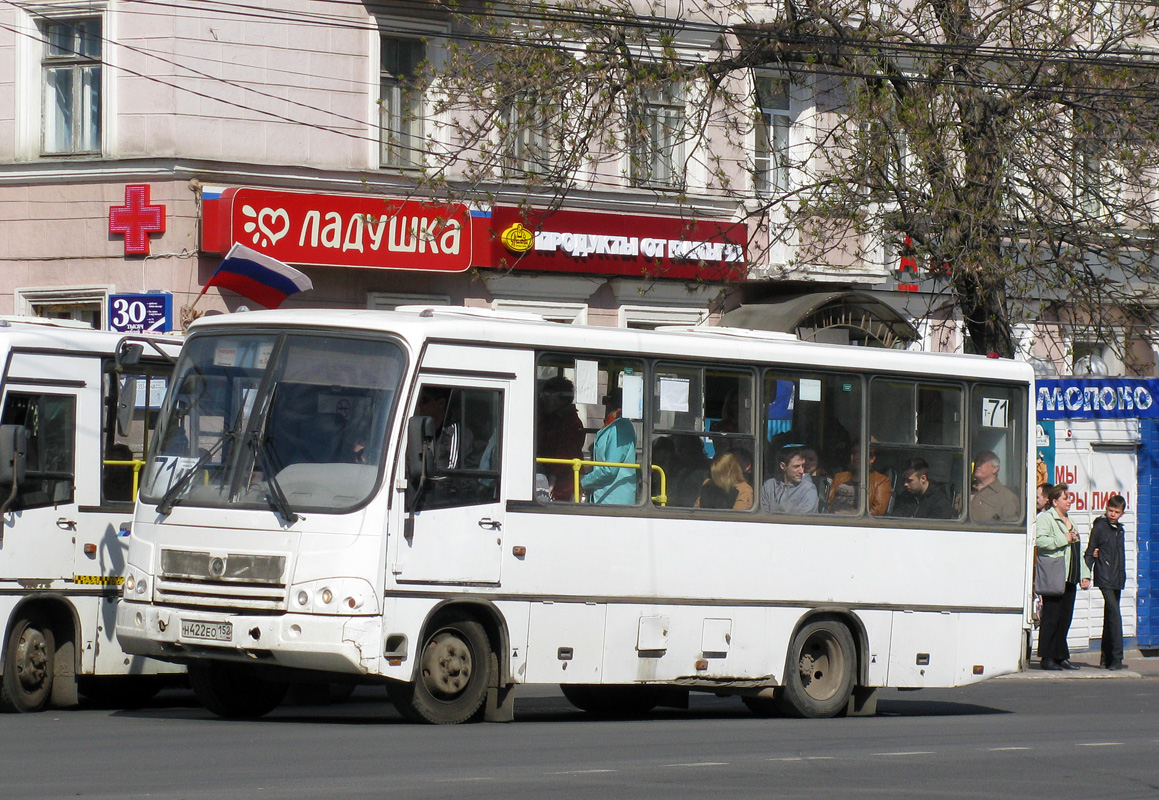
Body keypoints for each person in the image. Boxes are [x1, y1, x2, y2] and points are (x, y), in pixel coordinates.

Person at [1036, 482, 1091, 670]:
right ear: (1054, 501)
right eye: (1065, 498)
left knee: (1065, 617)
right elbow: (1040, 541)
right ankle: (1047, 656)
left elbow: (1077, 549)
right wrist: (1062, 539)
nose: (1069, 501)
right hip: (1055, 574)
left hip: (1070, 575)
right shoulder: (1046, 518)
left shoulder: (1070, 520)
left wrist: (1085, 574)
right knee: (1052, 615)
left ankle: (1060, 655)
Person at [1084, 495, 1128, 670]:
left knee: (1110, 616)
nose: (1113, 514)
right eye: (1110, 510)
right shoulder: (1100, 526)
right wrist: (1085, 575)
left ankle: (1105, 658)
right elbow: (1090, 550)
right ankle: (1117, 658)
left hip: (1117, 577)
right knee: (1115, 615)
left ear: (1122, 513)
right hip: (1104, 576)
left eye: (1117, 512)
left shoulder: (1120, 530)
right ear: (1106, 508)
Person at [580, 389, 637, 505]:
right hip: (605, 496)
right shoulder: (613, 426)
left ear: (609, 404)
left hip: (613, 499)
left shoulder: (620, 428)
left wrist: (582, 482)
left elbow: (610, 469)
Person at [536, 376, 587, 501]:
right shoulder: (551, 418)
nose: (546, 401)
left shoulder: (570, 422)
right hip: (550, 475)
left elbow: (566, 452)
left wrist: (553, 478)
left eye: (549, 396)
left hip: (562, 481)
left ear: (562, 399)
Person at [416, 386, 473, 470]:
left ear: (441, 403)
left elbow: (451, 469)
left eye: (424, 400)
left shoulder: (454, 431)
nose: (419, 405)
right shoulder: (425, 429)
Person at [828, 442, 891, 516]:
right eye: (854, 452)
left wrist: (855, 514)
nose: (856, 456)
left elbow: (878, 510)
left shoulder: (881, 481)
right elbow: (827, 503)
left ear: (872, 458)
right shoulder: (839, 477)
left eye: (861, 453)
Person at [760, 446, 818, 514]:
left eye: (803, 466)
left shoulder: (808, 489)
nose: (802, 471)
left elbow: (803, 520)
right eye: (796, 466)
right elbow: (762, 514)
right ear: (783, 466)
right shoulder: (769, 486)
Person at [970, 450, 1020, 522]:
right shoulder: (965, 488)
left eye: (982, 462)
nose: (977, 464)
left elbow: (1011, 528)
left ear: (995, 469)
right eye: (977, 461)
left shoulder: (1007, 497)